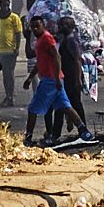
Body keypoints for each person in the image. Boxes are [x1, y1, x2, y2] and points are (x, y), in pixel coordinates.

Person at [24, 16, 75, 146]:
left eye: (37, 26)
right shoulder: (43, 40)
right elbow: (38, 61)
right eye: (33, 27)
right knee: (62, 107)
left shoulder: (49, 38)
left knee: (38, 109)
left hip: (53, 79)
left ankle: (33, 137)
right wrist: (30, 78)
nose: (35, 29)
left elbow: (59, 57)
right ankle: (58, 132)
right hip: (51, 77)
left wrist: (57, 77)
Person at [56, 15, 93, 146]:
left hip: (72, 77)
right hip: (67, 77)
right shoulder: (66, 40)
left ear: (70, 27)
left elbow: (77, 61)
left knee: (73, 103)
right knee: (68, 104)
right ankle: (79, 130)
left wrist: (78, 79)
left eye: (62, 25)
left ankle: (83, 131)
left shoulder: (71, 41)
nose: (60, 27)